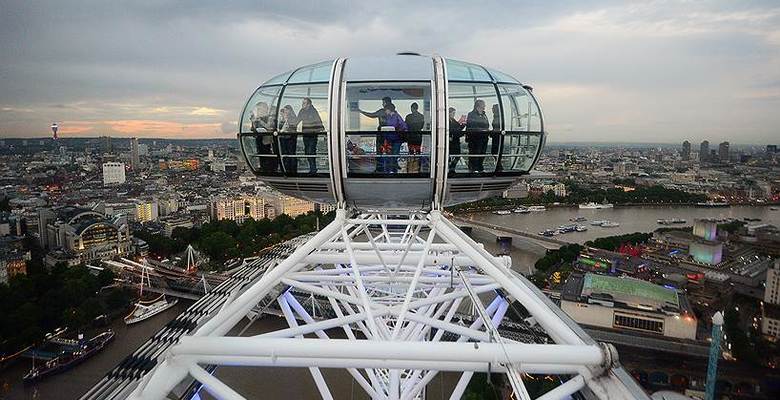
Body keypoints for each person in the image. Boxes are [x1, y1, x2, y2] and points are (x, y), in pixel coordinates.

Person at [359, 96, 393, 172]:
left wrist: (362, 111)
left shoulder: (382, 111)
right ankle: (389, 168)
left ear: (386, 103)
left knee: (380, 150)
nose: (382, 104)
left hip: (381, 133)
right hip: (390, 134)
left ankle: (380, 168)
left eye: (383, 102)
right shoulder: (394, 112)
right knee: (389, 151)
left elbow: (372, 115)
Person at [249, 101, 278, 173]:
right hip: (259, 138)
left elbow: (270, 127)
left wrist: (260, 121)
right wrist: (253, 122)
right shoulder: (258, 118)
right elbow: (253, 129)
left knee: (266, 153)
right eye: (257, 109)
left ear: (265, 109)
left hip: (267, 139)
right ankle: (263, 167)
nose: (258, 111)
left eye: (259, 109)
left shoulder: (270, 117)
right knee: (260, 153)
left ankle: (269, 168)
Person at [298, 97, 324, 174]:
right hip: (305, 134)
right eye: (302, 103)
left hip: (312, 134)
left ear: (309, 104)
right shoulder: (302, 111)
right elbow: (296, 121)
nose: (302, 105)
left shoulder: (313, 111)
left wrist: (321, 129)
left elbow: (318, 121)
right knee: (307, 151)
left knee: (311, 151)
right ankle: (312, 168)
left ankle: (313, 169)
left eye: (304, 103)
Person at [379, 103, 407, 173]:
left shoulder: (397, 116)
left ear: (389, 109)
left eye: (386, 110)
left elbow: (404, 127)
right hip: (389, 139)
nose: (385, 111)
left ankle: (393, 171)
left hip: (397, 139)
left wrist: (397, 130)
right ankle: (390, 170)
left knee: (394, 155)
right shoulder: (388, 117)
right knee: (389, 155)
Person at [465, 99, 489, 173]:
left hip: (484, 138)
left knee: (482, 153)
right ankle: (473, 168)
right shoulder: (471, 114)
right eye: (483, 105)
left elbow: (487, 125)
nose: (484, 106)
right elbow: (471, 125)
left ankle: (480, 167)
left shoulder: (484, 114)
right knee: (475, 153)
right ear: (478, 106)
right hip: (475, 139)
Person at [404, 102, 425, 173]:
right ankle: (418, 168)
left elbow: (405, 126)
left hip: (410, 136)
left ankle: (410, 168)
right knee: (418, 152)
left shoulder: (408, 117)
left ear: (412, 108)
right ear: (417, 108)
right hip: (418, 136)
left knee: (411, 152)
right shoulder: (421, 116)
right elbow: (422, 126)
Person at [278, 105, 298, 174]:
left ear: (289, 110)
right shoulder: (283, 118)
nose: (285, 111)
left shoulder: (292, 118)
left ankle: (292, 170)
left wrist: (286, 119)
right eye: (284, 110)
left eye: (286, 110)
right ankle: (287, 169)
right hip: (284, 138)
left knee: (291, 153)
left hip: (291, 138)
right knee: (285, 154)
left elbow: (292, 126)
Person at [448, 107, 464, 172]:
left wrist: (463, 125)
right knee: (451, 155)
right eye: (453, 113)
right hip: (451, 142)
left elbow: (458, 129)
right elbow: (453, 129)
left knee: (457, 155)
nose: (454, 115)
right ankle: (451, 168)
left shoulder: (453, 121)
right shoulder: (447, 121)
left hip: (455, 141)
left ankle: (452, 167)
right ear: (449, 113)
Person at [490, 103, 502, 172]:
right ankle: (499, 167)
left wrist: (492, 132)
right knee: (495, 152)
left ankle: (499, 167)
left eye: (493, 108)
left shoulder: (497, 117)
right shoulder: (497, 117)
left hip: (497, 137)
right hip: (496, 137)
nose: (492, 109)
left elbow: (497, 128)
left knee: (495, 151)